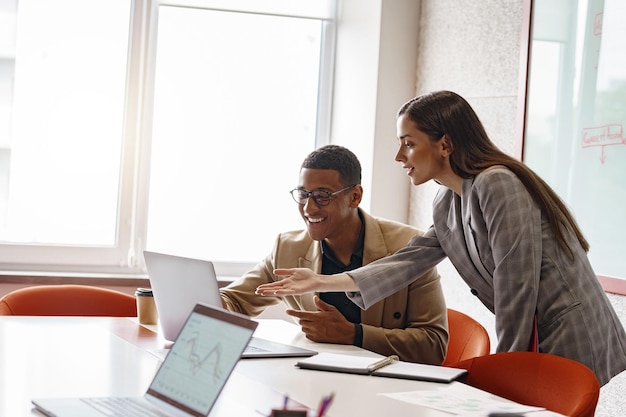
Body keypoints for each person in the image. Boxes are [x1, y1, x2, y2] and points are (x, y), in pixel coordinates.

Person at [256, 91, 626, 386]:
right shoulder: (446, 199)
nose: (399, 155)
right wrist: (322, 280)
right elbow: (409, 260)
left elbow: (518, 290)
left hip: (567, 332)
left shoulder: (498, 183)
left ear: (445, 145)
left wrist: (505, 375)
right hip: (533, 335)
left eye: (409, 143)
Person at [221, 144, 448, 365]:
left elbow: (433, 345)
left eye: (322, 195)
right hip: (314, 379)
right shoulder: (288, 248)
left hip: (386, 386)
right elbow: (233, 301)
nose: (309, 208)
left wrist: (354, 334)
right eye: (303, 194)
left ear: (355, 197)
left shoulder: (409, 247)